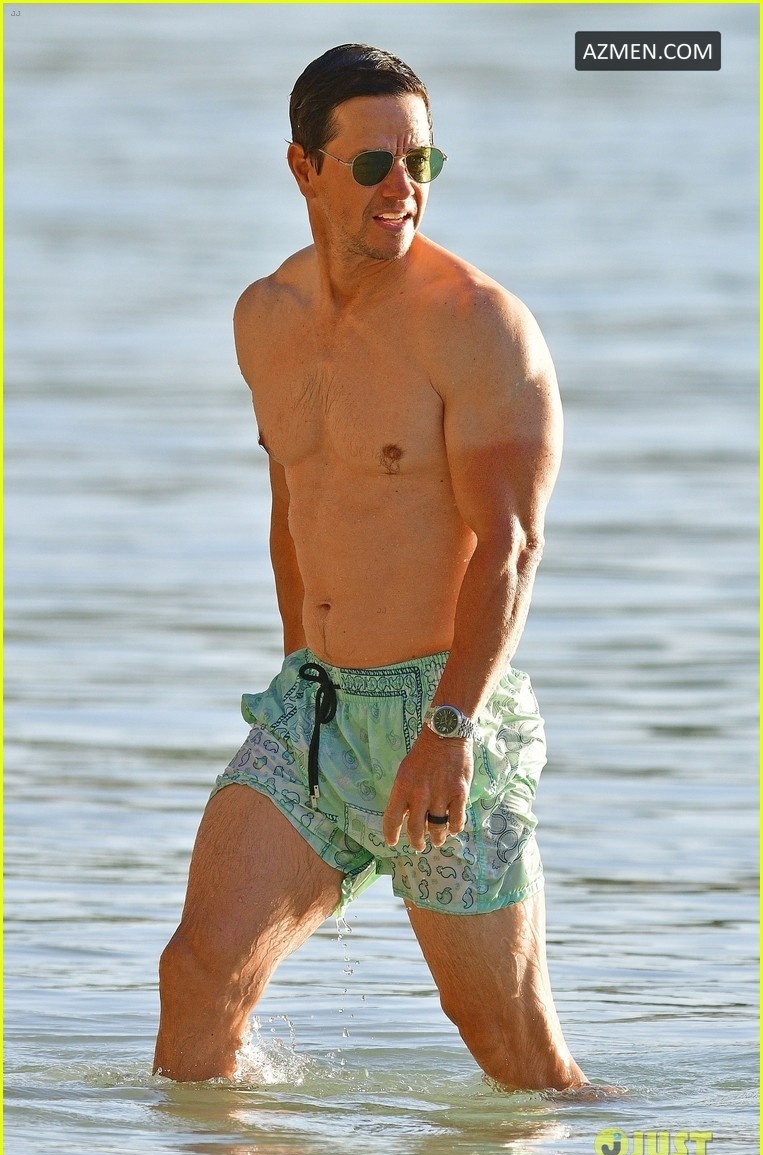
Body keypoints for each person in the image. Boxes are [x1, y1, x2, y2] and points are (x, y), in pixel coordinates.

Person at [153, 43, 591, 1092]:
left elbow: (510, 543)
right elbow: (293, 501)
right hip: (316, 708)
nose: (403, 186)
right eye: (372, 163)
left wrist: (448, 728)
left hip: (442, 707)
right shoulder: (266, 317)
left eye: (420, 162)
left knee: (511, 1050)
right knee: (199, 977)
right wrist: (298, 661)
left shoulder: (475, 325)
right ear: (303, 167)